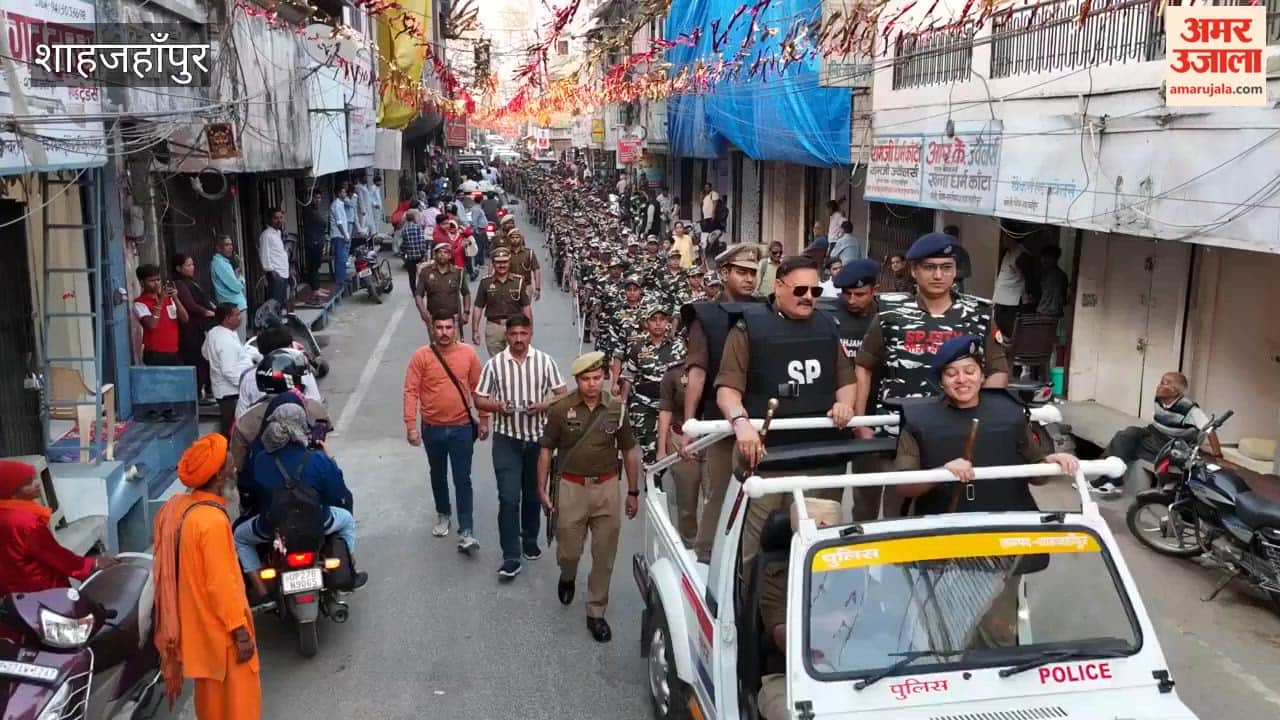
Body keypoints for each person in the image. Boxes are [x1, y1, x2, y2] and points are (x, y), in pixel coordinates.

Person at [716, 255, 856, 564]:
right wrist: (742, 425)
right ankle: (751, 607)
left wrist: (845, 404)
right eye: (800, 290)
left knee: (819, 549)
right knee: (758, 549)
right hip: (769, 460)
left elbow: (847, 378)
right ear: (778, 286)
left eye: (815, 292)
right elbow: (728, 390)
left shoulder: (829, 325)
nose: (808, 297)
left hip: (820, 457)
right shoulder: (747, 328)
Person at [895, 335, 1080, 515]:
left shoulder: (1010, 413)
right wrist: (941, 473)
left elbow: (1038, 476)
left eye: (969, 371)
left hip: (1007, 525)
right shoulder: (918, 421)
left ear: (982, 375)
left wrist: (1050, 462)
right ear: (941, 382)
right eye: (951, 374)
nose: (961, 379)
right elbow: (904, 486)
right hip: (946, 527)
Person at [152, 434, 261, 719]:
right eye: (229, 464)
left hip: (202, 638)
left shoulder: (187, 511)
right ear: (216, 476)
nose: (235, 468)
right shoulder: (211, 522)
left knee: (212, 709)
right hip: (223, 638)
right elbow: (221, 584)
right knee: (240, 708)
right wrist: (240, 633)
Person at [537, 351, 642, 643]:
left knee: (604, 554)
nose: (592, 384)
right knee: (569, 549)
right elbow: (546, 448)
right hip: (571, 487)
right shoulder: (561, 409)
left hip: (607, 487)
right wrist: (542, 488)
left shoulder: (616, 409)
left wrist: (633, 491)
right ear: (577, 380)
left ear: (604, 378)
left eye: (597, 378)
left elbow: (629, 451)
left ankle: (596, 612)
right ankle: (567, 574)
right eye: (586, 379)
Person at [854, 232, 1009, 427]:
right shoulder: (890, 312)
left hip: (959, 426)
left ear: (955, 272)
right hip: (899, 424)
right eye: (929, 267)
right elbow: (863, 365)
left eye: (946, 268)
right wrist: (859, 423)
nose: (938, 275)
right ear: (914, 271)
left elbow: (999, 371)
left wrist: (980, 414)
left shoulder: (979, 314)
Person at [681, 243, 764, 562]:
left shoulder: (764, 309)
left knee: (757, 492)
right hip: (719, 421)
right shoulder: (705, 315)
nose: (748, 279)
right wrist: (690, 425)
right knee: (721, 492)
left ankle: (747, 555)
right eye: (741, 272)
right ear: (724, 273)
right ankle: (707, 555)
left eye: (753, 273)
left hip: (756, 420)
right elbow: (697, 372)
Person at [234, 399, 364, 600]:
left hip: (273, 529)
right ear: (303, 426)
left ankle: (260, 591)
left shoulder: (261, 460)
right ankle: (348, 572)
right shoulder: (318, 460)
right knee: (346, 520)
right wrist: (329, 459)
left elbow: (249, 491)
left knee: (240, 537)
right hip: (318, 522)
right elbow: (337, 493)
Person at [473, 316, 568, 579]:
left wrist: (543, 405)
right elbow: (479, 398)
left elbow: (564, 395)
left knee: (532, 493)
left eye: (522, 333)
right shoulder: (494, 365)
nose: (518, 339)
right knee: (508, 496)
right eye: (513, 333)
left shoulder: (544, 361)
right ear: (506, 335)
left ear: (530, 334)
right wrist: (497, 406)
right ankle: (511, 555)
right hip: (507, 440)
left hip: (538, 440)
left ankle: (529, 538)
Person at [757, 498, 841, 720]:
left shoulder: (857, 567)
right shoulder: (777, 575)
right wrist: (838, 623)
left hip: (853, 671)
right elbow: (782, 634)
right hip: (788, 678)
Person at [405, 312, 483, 550]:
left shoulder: (468, 354)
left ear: (456, 328)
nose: (444, 332)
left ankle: (466, 528)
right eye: (439, 327)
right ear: (432, 329)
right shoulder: (421, 356)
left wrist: (485, 419)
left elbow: (478, 389)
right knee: (437, 474)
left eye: (449, 327)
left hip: (461, 428)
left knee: (462, 477)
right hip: (432, 429)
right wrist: (411, 426)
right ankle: (443, 514)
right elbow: (411, 391)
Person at [230, 349, 329, 515]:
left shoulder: (245, 421)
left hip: (265, 504)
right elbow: (321, 446)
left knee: (240, 535)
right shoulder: (315, 410)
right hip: (311, 495)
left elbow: (238, 467)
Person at [822, 259, 882, 520]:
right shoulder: (825, 315)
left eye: (860, 294)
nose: (852, 300)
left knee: (867, 494)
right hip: (833, 415)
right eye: (846, 294)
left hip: (870, 416)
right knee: (826, 495)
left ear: (874, 290)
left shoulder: (885, 319)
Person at [0, 460, 116, 595]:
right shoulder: (27, 524)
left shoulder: (8, 514)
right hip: (42, 592)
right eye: (28, 483)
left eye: (34, 478)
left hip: (11, 592)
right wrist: (92, 564)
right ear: (12, 491)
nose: (37, 483)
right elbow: (56, 556)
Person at [1094, 371, 1221, 495]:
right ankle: (1111, 480)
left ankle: (1108, 480)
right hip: (1153, 432)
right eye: (1160, 382)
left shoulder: (1189, 408)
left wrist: (1217, 454)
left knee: (1124, 445)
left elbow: (1209, 429)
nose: (1159, 386)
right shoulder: (1159, 399)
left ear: (1174, 391)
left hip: (1172, 442)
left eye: (1165, 383)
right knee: (1124, 435)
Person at [618, 305, 686, 467]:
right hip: (644, 403)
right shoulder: (638, 347)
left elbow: (687, 374)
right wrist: (622, 405)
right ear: (646, 323)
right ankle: (653, 485)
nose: (658, 324)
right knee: (649, 449)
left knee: (670, 448)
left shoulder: (679, 346)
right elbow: (628, 376)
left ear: (667, 322)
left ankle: (659, 476)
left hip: (671, 404)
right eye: (653, 320)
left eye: (662, 319)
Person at [656, 363, 706, 547]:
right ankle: (690, 546)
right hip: (682, 440)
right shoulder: (673, 374)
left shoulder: (721, 368)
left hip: (715, 439)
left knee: (714, 500)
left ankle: (714, 549)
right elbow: (665, 412)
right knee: (687, 502)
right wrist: (662, 449)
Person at [235, 327, 323, 419]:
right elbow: (315, 404)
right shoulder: (302, 372)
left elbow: (240, 415)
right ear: (288, 349)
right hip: (299, 427)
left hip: (261, 429)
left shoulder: (248, 377)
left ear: (261, 350)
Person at [471, 247, 531, 357]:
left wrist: (528, 328)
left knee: (516, 358)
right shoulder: (485, 283)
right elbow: (478, 307)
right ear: (493, 263)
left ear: (509, 262)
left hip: (514, 327)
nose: (502, 265)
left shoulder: (519, 282)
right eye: (498, 262)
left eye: (505, 262)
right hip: (494, 327)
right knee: (496, 362)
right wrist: (475, 330)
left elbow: (526, 306)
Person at [202, 303, 251, 437]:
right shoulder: (224, 340)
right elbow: (229, 371)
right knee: (231, 430)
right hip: (230, 393)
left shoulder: (215, 332)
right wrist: (246, 386)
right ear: (227, 318)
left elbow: (205, 353)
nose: (240, 318)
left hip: (223, 390)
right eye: (237, 315)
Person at [173, 253, 217, 396]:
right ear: (179, 268)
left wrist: (212, 307)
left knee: (204, 360)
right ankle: (196, 394)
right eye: (188, 265)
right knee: (196, 360)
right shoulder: (180, 284)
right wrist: (206, 312)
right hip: (191, 329)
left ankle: (205, 390)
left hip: (200, 327)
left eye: (192, 264)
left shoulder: (192, 282)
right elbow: (190, 304)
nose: (192, 267)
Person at [134, 263, 188, 366]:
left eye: (158, 280)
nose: (156, 283)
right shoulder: (139, 303)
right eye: (151, 281)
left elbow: (185, 319)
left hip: (174, 351)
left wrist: (176, 298)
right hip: (155, 353)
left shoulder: (169, 298)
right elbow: (152, 325)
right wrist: (161, 300)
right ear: (142, 283)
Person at [416, 242, 471, 332]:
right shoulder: (426, 272)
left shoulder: (458, 272)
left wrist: (466, 312)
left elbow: (466, 293)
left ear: (450, 256)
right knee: (436, 345)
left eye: (446, 252)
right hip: (433, 318)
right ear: (435, 255)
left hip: (454, 318)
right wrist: (422, 312)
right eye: (440, 252)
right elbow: (418, 294)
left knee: (453, 345)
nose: (442, 254)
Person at [992, 234, 1035, 339]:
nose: (1004, 240)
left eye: (1007, 237)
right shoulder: (1007, 252)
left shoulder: (1022, 255)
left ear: (1012, 238)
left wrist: (1030, 294)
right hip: (1001, 299)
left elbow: (1029, 277)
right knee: (998, 328)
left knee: (1011, 330)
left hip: (1013, 302)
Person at [259, 208, 290, 306]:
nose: (279, 220)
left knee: (281, 302)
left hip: (283, 272)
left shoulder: (278, 233)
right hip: (275, 274)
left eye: (281, 218)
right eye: (276, 218)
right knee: (274, 303)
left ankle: (279, 320)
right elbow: (264, 255)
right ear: (270, 219)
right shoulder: (266, 235)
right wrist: (271, 271)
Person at [210, 235, 248, 313]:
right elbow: (236, 286)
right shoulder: (219, 264)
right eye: (227, 245)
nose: (230, 247)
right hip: (233, 308)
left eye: (231, 244)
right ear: (218, 248)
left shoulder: (225, 262)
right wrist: (241, 281)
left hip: (237, 306)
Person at [300, 197, 328, 292]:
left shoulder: (317, 211)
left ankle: (317, 287)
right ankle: (315, 289)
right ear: (311, 199)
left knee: (316, 266)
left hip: (319, 241)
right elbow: (308, 227)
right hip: (313, 242)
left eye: (320, 198)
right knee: (313, 266)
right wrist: (314, 240)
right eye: (316, 198)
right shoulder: (309, 211)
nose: (318, 200)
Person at [506, 230, 542, 302]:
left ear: (521, 238)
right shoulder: (505, 253)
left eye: (517, 237)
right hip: (509, 286)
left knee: (525, 310)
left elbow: (536, 270)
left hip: (526, 286)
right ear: (509, 239)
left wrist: (537, 288)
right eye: (512, 238)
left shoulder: (529, 253)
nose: (515, 239)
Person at [400, 208, 429, 295]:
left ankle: (414, 292)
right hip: (419, 255)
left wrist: (403, 253)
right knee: (421, 274)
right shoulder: (417, 227)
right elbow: (421, 241)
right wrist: (424, 253)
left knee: (411, 276)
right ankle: (422, 291)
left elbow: (404, 244)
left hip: (410, 256)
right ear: (414, 219)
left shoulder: (404, 230)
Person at [1036, 245, 1069, 318]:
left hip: (1052, 313)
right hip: (1043, 311)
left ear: (1055, 259)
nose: (1044, 260)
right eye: (1043, 257)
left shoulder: (1060, 276)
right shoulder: (1043, 274)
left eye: (1048, 257)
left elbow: (1063, 298)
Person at [329, 187, 352, 288]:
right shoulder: (336, 205)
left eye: (345, 191)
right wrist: (345, 235)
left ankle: (342, 278)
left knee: (343, 259)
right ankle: (340, 281)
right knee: (340, 258)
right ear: (338, 193)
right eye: (343, 192)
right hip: (338, 235)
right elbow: (339, 222)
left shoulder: (340, 204)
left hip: (341, 235)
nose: (345, 193)